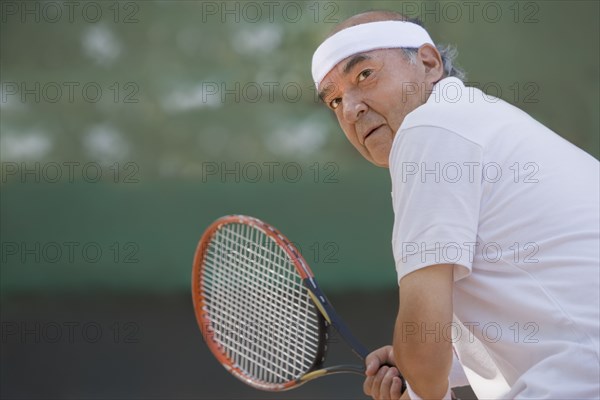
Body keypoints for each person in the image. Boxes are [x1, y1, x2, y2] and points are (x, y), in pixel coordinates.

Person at [311, 10, 600, 400]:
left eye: (365, 75)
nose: (351, 110)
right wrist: (420, 371)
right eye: (334, 101)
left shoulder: (429, 130)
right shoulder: (481, 121)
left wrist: (421, 375)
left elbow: (425, 363)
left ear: (428, 63)